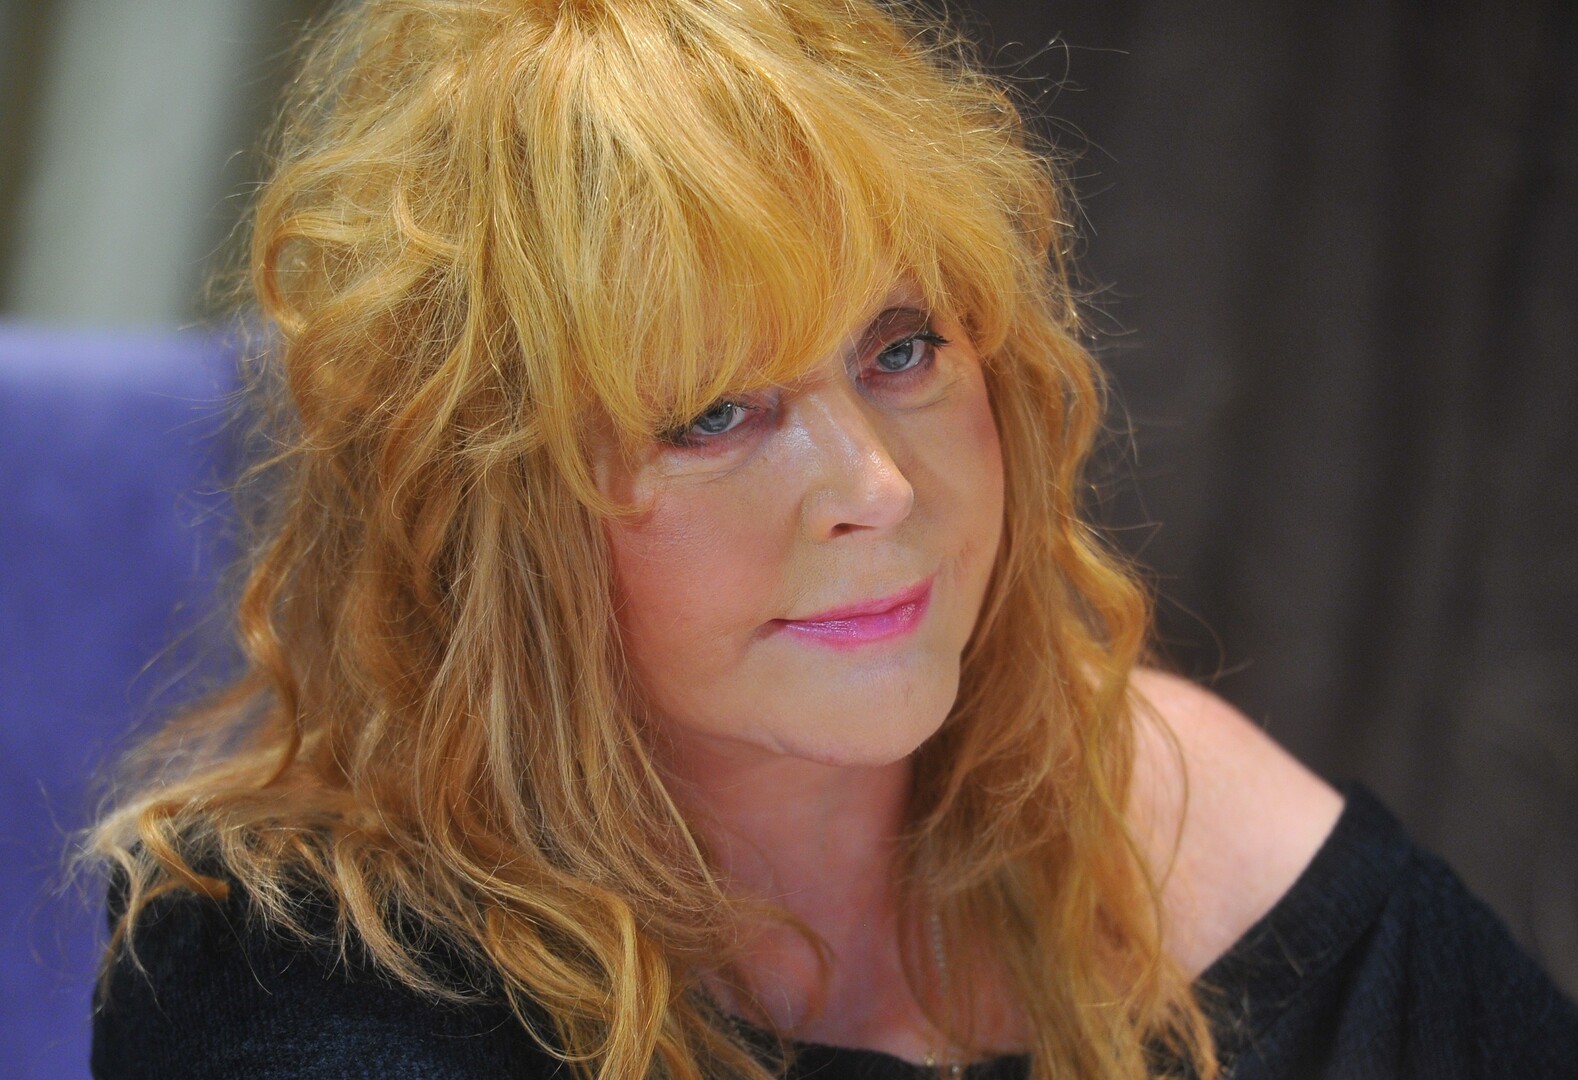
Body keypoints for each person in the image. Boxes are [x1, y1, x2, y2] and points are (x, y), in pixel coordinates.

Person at [85, 0, 1578, 1077]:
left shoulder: (1174, 808)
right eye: (712, 413)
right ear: (495, 521)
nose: (875, 483)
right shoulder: (287, 970)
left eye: (902, 349)